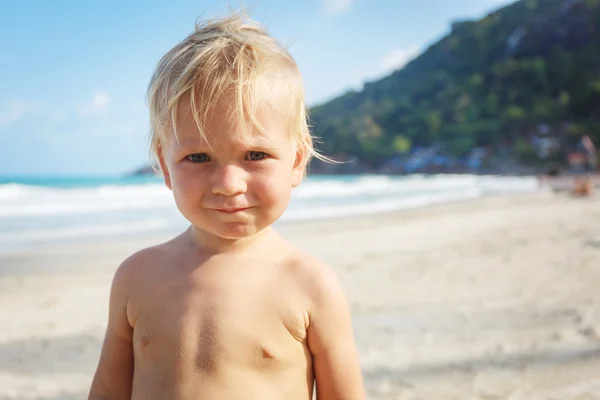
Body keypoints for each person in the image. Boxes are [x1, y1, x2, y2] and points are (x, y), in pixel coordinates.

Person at [88, 10, 365, 400]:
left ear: (297, 161)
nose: (228, 184)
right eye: (198, 158)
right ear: (165, 165)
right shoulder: (136, 277)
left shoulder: (310, 286)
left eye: (255, 155)